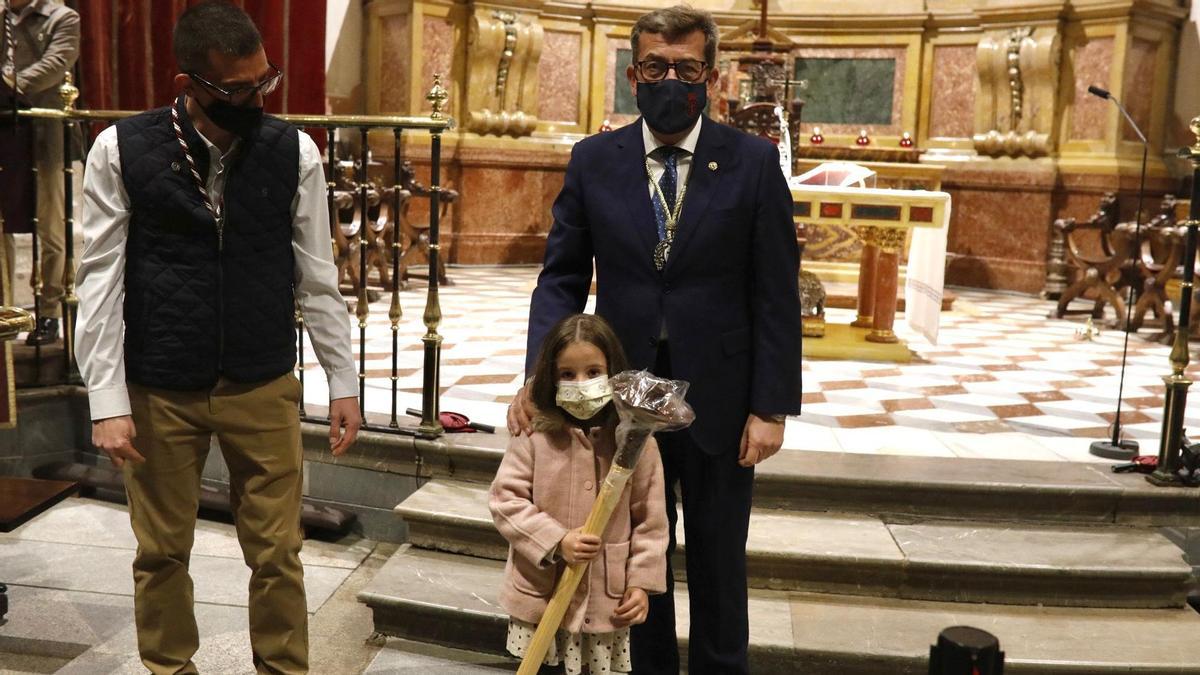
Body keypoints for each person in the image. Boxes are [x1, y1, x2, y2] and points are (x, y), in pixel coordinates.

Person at [508, 6, 801, 673]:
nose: (671, 79)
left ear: (711, 75)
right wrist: (539, 373)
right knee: (632, 551)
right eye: (655, 66)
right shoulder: (593, 160)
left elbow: (775, 293)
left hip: (721, 400)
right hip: (621, 392)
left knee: (720, 557)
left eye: (686, 67)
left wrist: (772, 406)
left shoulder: (753, 162)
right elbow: (560, 279)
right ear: (633, 74)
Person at [74, 3, 361, 673]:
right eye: (235, 89)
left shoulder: (296, 151)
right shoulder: (121, 149)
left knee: (278, 550)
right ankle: (171, 668)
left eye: (264, 82)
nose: (254, 99)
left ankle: (283, 668)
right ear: (188, 84)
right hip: (159, 386)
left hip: (261, 381)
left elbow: (319, 277)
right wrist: (106, 397)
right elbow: (98, 281)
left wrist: (341, 380)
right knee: (162, 550)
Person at [491, 313, 668, 675]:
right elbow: (506, 501)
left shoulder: (635, 443)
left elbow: (651, 521)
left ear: (613, 372)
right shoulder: (535, 435)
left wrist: (640, 583)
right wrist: (557, 540)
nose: (581, 383)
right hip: (543, 592)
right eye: (567, 374)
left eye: (593, 372)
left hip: (607, 594)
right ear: (550, 376)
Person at [0, 0, 81, 345]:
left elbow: (55, 65)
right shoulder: (1, 17)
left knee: (50, 224)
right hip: (5, 132)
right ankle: (4, 306)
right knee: (1, 221)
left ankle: (48, 311)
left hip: (45, 133)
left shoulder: (63, 17)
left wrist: (7, 82)